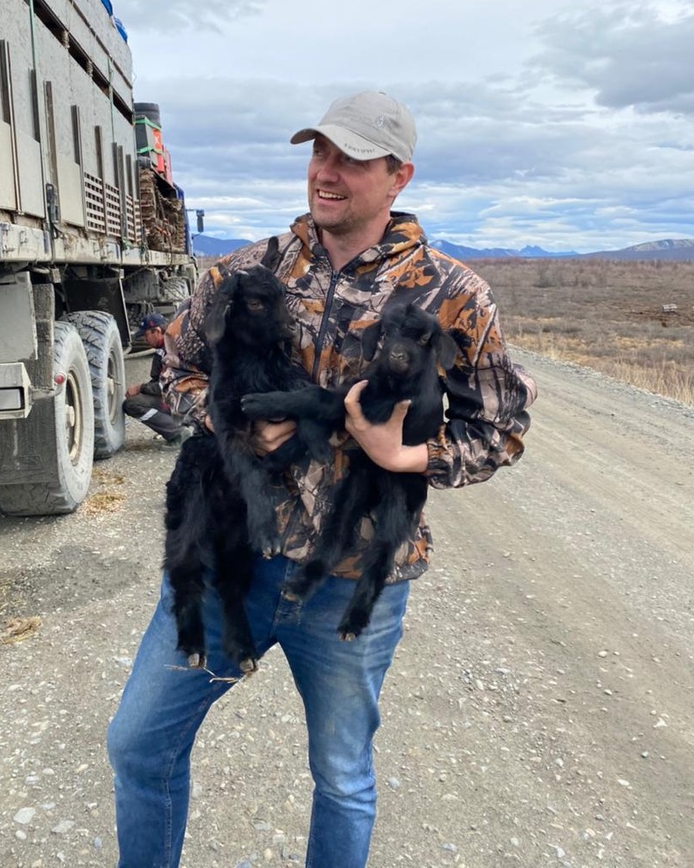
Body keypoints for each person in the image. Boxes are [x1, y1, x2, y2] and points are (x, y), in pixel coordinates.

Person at [107, 90, 537, 867]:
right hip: (226, 564)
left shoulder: (455, 296)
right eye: (319, 153)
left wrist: (408, 456)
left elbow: (501, 427)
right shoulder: (245, 269)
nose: (326, 173)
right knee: (137, 744)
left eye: (351, 159)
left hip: (349, 578)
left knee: (341, 780)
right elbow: (168, 369)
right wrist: (227, 419)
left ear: (398, 175)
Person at [122, 314, 186, 444]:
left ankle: (179, 432)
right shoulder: (162, 349)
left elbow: (168, 385)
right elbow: (157, 380)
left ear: (157, 331)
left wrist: (141, 388)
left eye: (146, 335)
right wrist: (143, 391)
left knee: (133, 405)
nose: (145, 340)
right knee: (137, 400)